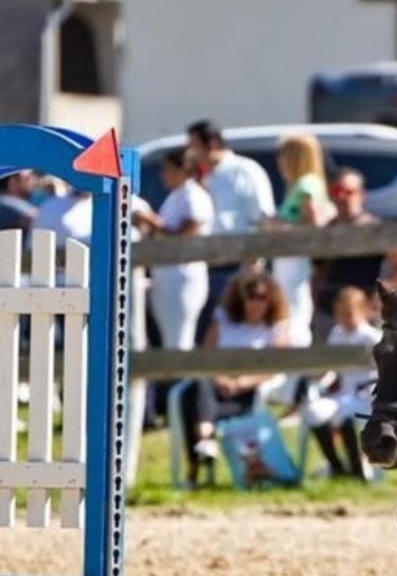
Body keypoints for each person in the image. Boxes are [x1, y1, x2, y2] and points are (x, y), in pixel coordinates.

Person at [181, 272, 290, 486]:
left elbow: (277, 368)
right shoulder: (223, 321)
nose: (256, 303)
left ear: (271, 300)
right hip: (214, 387)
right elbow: (206, 357)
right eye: (251, 296)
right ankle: (205, 440)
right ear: (241, 298)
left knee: (191, 403)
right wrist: (221, 378)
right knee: (197, 387)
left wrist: (241, 383)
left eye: (262, 297)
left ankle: (198, 459)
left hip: (247, 395)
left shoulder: (274, 329)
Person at [186, 120, 277, 338]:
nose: (191, 153)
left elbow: (262, 218)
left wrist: (254, 264)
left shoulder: (244, 171)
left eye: (194, 146)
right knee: (209, 333)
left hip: (238, 267)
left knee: (236, 331)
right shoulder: (206, 177)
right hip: (207, 265)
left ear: (211, 144)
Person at [312, 166, 397, 339]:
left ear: (361, 194)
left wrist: (381, 293)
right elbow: (317, 272)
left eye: (349, 192)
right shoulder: (327, 230)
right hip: (328, 313)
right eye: (337, 191)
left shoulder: (374, 229)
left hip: (361, 312)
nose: (342, 197)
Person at [132, 149, 213, 352]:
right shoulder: (177, 195)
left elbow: (188, 233)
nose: (163, 174)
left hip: (182, 279)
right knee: (170, 340)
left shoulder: (193, 195)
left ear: (183, 170)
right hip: (168, 278)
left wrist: (151, 220)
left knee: (178, 342)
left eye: (167, 169)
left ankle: (183, 373)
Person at [301, 286, 382, 479]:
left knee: (346, 417)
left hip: (368, 397)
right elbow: (331, 368)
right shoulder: (337, 333)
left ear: (362, 312)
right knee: (313, 412)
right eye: (340, 315)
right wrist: (318, 376)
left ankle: (357, 469)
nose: (345, 320)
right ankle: (336, 465)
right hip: (344, 395)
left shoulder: (372, 337)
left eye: (349, 314)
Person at [265, 133, 332, 348]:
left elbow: (314, 222)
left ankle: (294, 351)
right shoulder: (305, 183)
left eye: (284, 154)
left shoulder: (305, 185)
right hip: (290, 257)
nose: (280, 160)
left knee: (292, 308)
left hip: (295, 257)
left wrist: (278, 226)